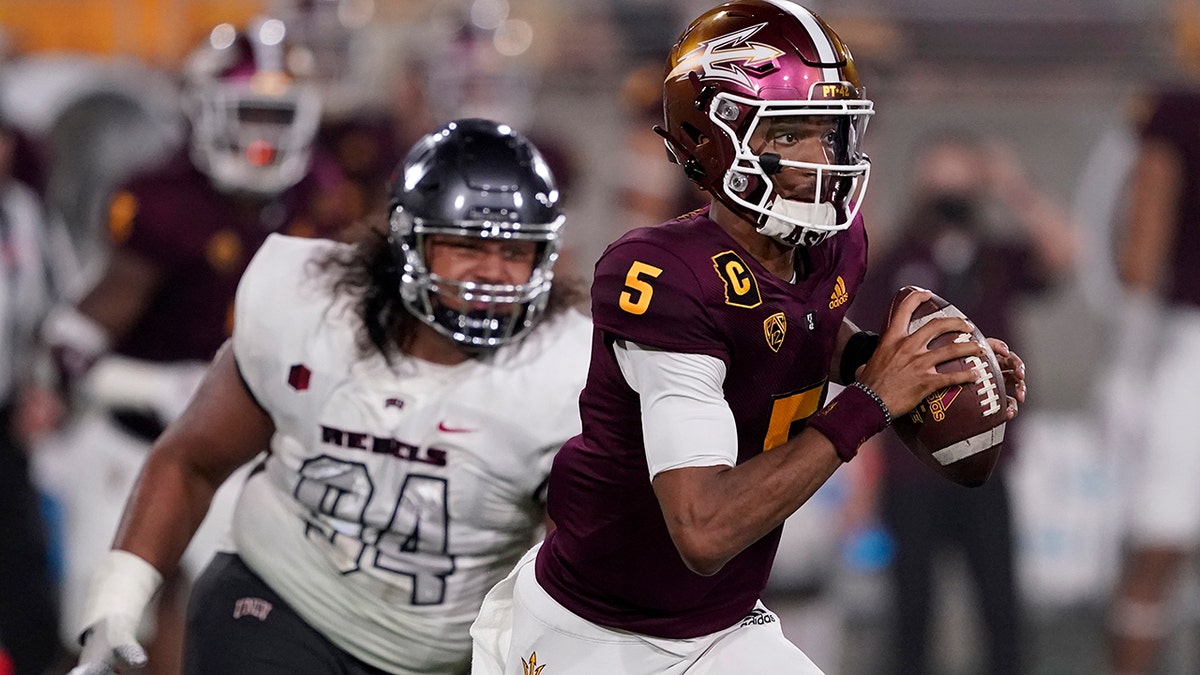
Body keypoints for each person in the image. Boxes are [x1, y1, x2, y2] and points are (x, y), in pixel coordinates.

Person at [469, 2, 1027, 673]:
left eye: (833, 132)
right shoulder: (664, 275)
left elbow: (806, 326)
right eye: (794, 133)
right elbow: (703, 528)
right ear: (717, 138)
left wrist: (898, 366)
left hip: (719, 625)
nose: (826, 157)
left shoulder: (829, 244)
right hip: (595, 633)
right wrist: (870, 401)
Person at [67, 117, 590, 675]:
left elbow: (575, 564)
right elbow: (192, 461)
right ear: (407, 241)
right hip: (285, 601)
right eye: (466, 246)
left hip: (443, 651)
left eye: (517, 252)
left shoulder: (567, 370)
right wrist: (117, 602)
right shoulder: (312, 309)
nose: (493, 274)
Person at [32, 16, 350, 673]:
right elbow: (80, 334)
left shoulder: (321, 195)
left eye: (277, 115)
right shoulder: (166, 199)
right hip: (132, 435)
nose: (263, 136)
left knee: (209, 601)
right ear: (204, 111)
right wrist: (144, 383)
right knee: (103, 616)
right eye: (249, 113)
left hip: (242, 444)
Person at [849, 132, 1077, 675]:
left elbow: (1065, 256)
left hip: (987, 463)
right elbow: (850, 265)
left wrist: (1012, 185)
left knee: (1001, 609)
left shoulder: (996, 257)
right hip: (912, 463)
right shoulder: (899, 257)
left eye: (961, 177)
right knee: (911, 612)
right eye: (938, 177)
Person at [1106, 85, 1200, 675]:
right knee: (1159, 539)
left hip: (1186, 346)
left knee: (1160, 541)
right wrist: (1132, 360)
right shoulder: (1181, 112)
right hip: (1188, 342)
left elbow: (1145, 238)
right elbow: (1146, 236)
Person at [0, 115, 73, 674]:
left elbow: (56, 313)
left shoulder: (21, 212)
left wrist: (44, 386)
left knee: (23, 559)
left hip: (4, 416)